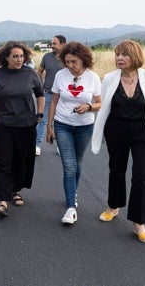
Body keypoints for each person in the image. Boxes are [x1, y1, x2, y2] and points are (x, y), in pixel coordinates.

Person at [91, 40, 145, 244]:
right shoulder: (110, 78)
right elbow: (106, 106)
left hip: (143, 133)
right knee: (117, 170)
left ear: (135, 57)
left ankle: (139, 222)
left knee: (142, 176)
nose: (120, 58)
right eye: (117, 54)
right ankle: (113, 206)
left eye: (125, 55)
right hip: (117, 131)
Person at [0, 41, 45, 218]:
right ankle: (2, 201)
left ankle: (15, 190)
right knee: (3, 162)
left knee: (22, 161)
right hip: (2, 125)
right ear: (6, 58)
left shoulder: (31, 73)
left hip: (26, 126)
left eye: (22, 56)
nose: (20, 60)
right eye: (15, 56)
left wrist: (39, 115)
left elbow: (40, 95)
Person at [46, 41, 101, 225]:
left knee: (77, 163)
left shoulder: (93, 77)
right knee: (69, 165)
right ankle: (71, 207)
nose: (69, 65)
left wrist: (89, 106)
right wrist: (49, 125)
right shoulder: (61, 75)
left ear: (83, 60)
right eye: (67, 61)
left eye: (73, 62)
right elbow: (53, 101)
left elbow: (100, 103)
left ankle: (72, 193)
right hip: (63, 124)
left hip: (85, 126)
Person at [35, 35, 67, 156]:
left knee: (61, 121)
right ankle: (37, 145)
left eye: (54, 43)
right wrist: (40, 86)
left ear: (63, 44)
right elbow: (39, 72)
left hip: (64, 96)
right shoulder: (47, 56)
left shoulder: (68, 58)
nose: (52, 46)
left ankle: (61, 146)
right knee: (42, 120)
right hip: (48, 93)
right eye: (51, 43)